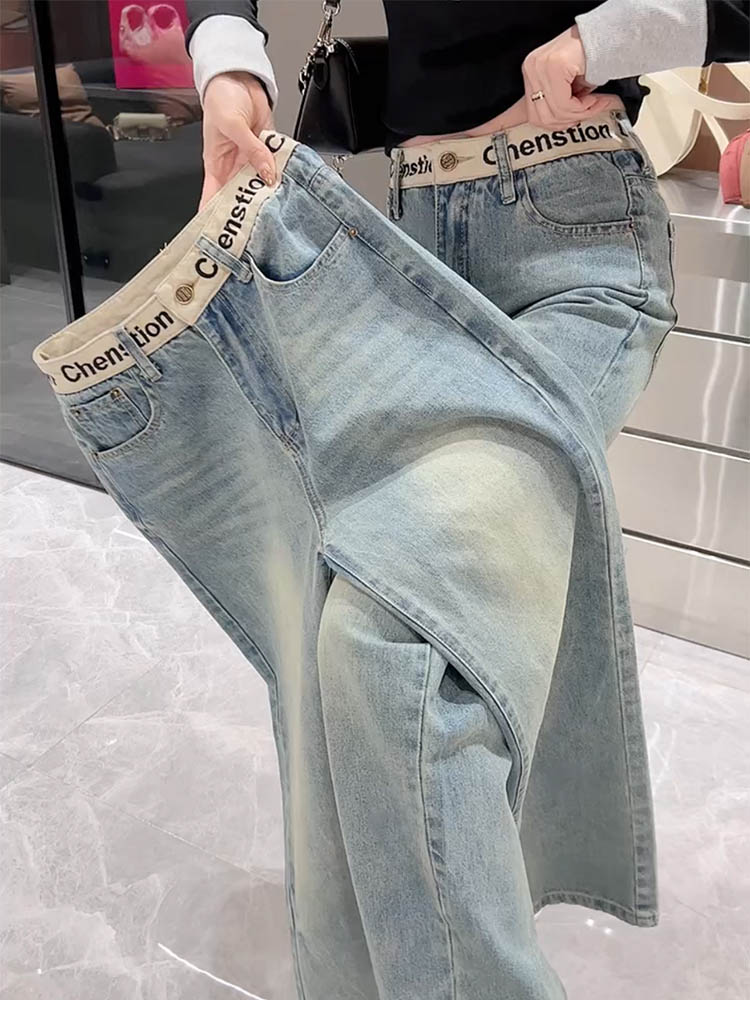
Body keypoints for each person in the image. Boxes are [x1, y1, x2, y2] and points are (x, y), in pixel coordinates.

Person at [179, 0, 749, 1001]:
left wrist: (600, 40)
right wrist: (228, 63)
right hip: (405, 251)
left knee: (392, 642)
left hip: (575, 238)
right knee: (329, 632)